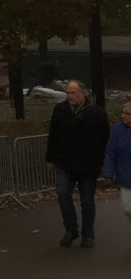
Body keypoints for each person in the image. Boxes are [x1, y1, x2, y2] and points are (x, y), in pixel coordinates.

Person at [46, 79, 110, 248]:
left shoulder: (96, 113)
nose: (70, 96)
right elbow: (53, 135)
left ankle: (88, 235)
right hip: (65, 161)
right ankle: (71, 229)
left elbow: (105, 139)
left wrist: (104, 162)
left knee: (87, 200)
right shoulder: (60, 110)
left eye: (74, 93)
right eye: (68, 92)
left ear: (83, 93)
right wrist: (50, 158)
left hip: (88, 164)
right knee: (62, 193)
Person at [103, 102, 131, 229]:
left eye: (127, 114)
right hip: (125, 176)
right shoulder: (117, 129)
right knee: (128, 209)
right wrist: (108, 173)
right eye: (123, 113)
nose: (123, 116)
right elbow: (111, 152)